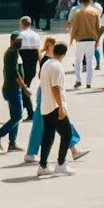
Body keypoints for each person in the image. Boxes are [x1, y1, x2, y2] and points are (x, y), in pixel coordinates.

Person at [37, 39, 76, 172]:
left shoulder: (46, 64)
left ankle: (42, 165)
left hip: (46, 105)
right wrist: (61, 107)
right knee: (67, 134)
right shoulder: (57, 66)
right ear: (64, 54)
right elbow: (56, 87)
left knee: (48, 136)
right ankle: (61, 163)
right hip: (54, 106)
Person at [0, 40, 28, 150]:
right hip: (12, 89)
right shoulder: (12, 53)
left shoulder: (14, 52)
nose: (20, 42)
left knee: (14, 117)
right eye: (18, 40)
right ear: (12, 41)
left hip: (13, 89)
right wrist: (24, 87)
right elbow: (14, 72)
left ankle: (12, 143)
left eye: (21, 40)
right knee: (18, 116)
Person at [69, 0, 103, 88]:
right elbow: (98, 27)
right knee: (90, 60)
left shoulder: (78, 12)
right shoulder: (95, 12)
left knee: (78, 60)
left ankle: (78, 80)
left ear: (80, 2)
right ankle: (89, 83)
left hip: (80, 39)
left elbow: (75, 27)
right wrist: (98, 40)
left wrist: (72, 38)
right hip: (92, 38)